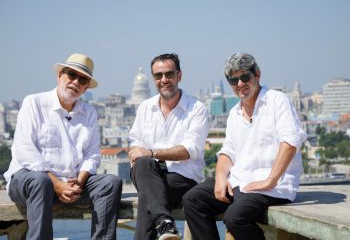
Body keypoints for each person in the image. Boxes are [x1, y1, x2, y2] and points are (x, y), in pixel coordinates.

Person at [183, 53, 307, 240]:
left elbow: (290, 143)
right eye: (233, 80)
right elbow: (228, 152)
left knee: (235, 218)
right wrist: (219, 178)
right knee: (192, 200)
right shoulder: (234, 113)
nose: (239, 84)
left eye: (244, 77)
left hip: (272, 186)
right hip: (240, 182)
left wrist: (270, 181)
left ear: (257, 74)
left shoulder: (276, 100)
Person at [4, 53, 123, 240]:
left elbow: (92, 154)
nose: (76, 82)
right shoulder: (34, 103)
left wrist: (79, 181)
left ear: (85, 88)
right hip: (30, 180)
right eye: (71, 75)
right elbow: (25, 151)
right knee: (40, 181)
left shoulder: (89, 112)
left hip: (70, 182)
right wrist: (57, 184)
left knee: (110, 183)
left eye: (82, 79)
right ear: (59, 75)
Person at [128, 53, 209, 240]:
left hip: (182, 178)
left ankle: (164, 223)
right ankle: (165, 222)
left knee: (147, 197)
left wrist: (151, 152)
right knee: (143, 165)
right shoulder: (145, 107)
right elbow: (135, 146)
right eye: (158, 76)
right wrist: (142, 154)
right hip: (147, 173)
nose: (164, 80)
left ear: (179, 76)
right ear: (153, 79)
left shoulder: (196, 108)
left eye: (169, 74)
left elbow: (189, 150)